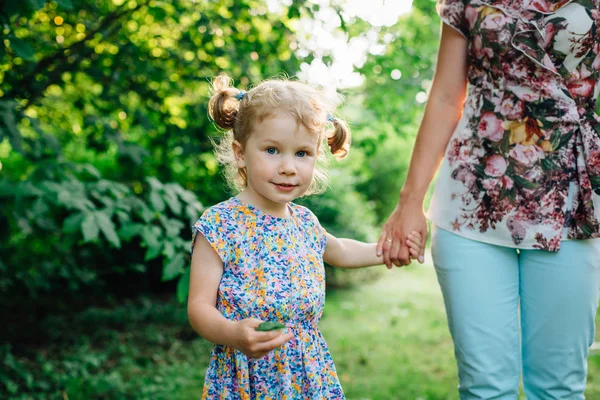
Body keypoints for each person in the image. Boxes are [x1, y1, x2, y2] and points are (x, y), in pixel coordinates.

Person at [378, 0, 600, 398]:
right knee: (484, 388)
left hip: (571, 204)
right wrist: (409, 202)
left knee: (559, 389)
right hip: (472, 199)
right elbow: (447, 97)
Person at [187, 75, 423, 399]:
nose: (288, 167)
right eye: (272, 150)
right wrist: (232, 333)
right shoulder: (220, 225)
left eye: (302, 154)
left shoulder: (304, 222)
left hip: (308, 372)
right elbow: (199, 307)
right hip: (248, 375)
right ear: (241, 153)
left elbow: (341, 251)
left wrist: (388, 250)